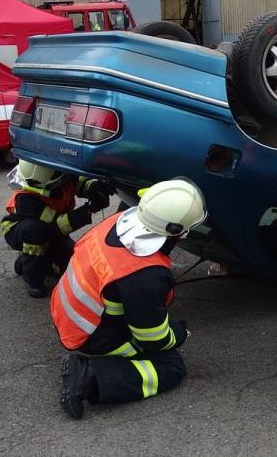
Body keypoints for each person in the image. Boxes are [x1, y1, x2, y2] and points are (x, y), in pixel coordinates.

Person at [53, 178, 207, 419]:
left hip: (69, 310)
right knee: (170, 367)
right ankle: (89, 375)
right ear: (178, 232)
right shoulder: (145, 274)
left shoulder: (118, 221)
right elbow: (152, 337)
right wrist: (178, 334)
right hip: (90, 334)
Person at [0, 160, 113, 298]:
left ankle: (31, 261)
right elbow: (59, 226)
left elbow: (81, 184)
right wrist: (89, 209)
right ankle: (33, 279)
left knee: (72, 267)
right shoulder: (26, 199)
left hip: (49, 231)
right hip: (20, 230)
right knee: (36, 231)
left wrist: (97, 187)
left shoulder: (59, 176)